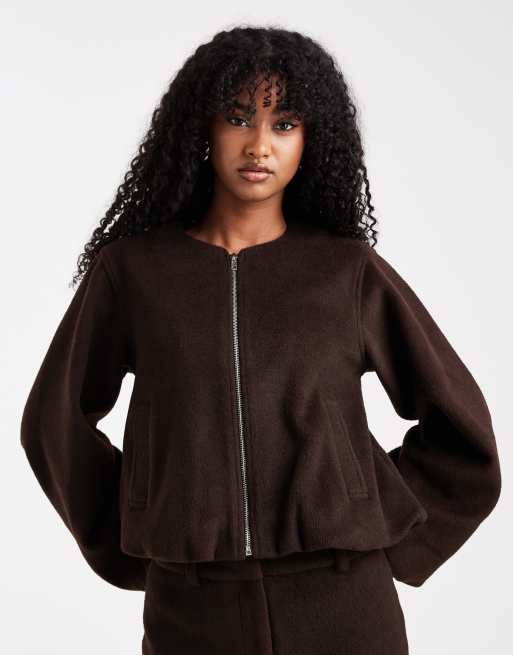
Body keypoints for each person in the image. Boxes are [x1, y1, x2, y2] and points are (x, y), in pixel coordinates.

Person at [20, 26, 501, 654]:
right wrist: (135, 530)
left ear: (310, 139)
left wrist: (389, 534)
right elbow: (54, 420)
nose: (259, 145)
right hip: (192, 610)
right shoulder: (135, 272)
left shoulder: (344, 271)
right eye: (239, 118)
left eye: (284, 123)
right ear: (204, 127)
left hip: (344, 603)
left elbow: (463, 433)